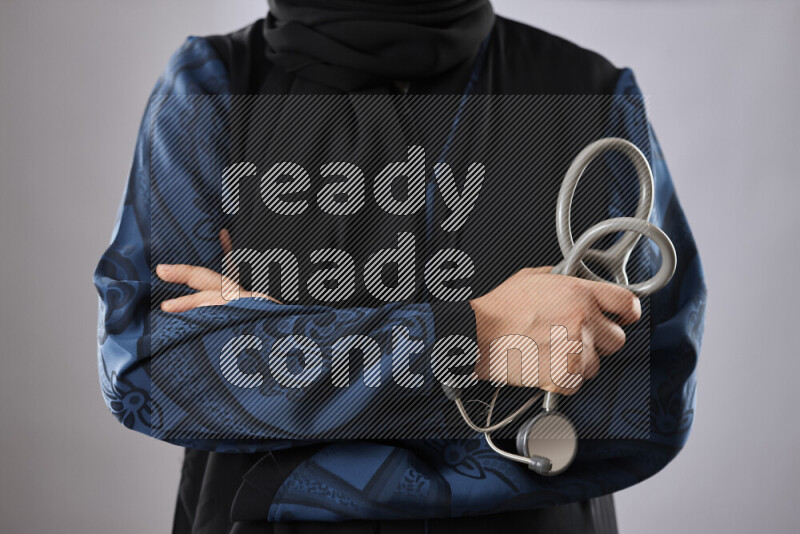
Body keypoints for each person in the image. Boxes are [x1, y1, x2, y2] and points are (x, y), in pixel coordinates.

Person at [94, 1, 706, 532]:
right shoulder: (209, 89)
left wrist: (275, 353)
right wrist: (480, 338)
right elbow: (157, 371)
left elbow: (649, 400)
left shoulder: (586, 94)